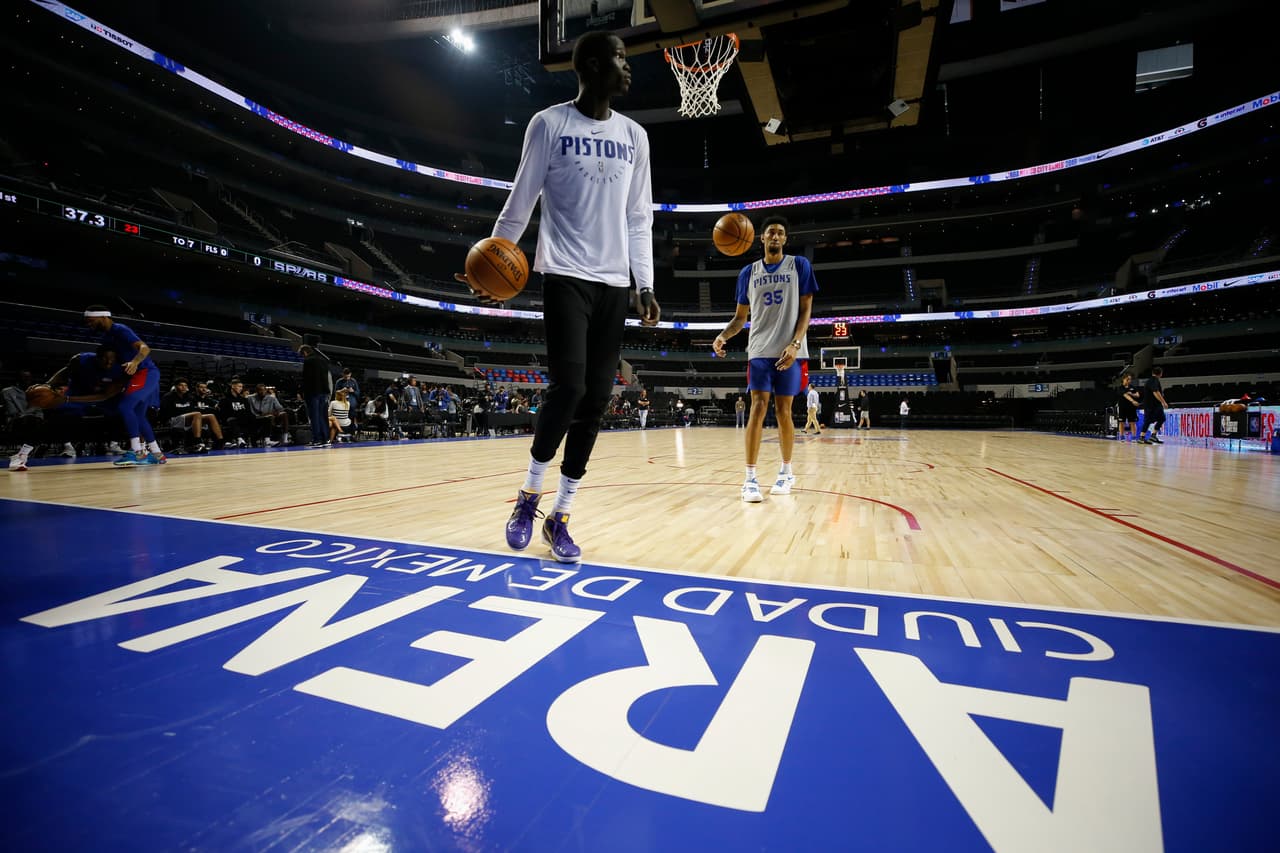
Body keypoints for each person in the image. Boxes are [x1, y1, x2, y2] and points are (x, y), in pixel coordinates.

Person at [458, 30, 661, 563]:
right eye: (619, 58)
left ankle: (560, 516)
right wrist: (492, 260)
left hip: (615, 283)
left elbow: (640, 217)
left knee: (597, 398)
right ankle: (528, 497)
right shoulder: (549, 124)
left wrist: (646, 283)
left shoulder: (636, 136)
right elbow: (520, 200)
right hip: (565, 274)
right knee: (568, 387)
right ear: (592, 66)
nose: (627, 67)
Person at [712, 215, 818, 502]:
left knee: (785, 412)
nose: (775, 236)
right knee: (757, 407)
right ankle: (750, 478)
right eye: (770, 232)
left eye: (780, 233)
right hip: (758, 350)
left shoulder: (799, 265)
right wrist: (723, 336)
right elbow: (739, 318)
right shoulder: (748, 272)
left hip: (790, 351)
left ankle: (786, 472)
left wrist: (796, 344)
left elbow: (806, 309)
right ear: (760, 238)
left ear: (785, 239)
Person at [83, 306, 165, 466]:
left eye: (91, 321)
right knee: (139, 415)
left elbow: (145, 348)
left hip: (145, 372)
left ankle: (137, 452)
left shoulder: (120, 329)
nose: (89, 325)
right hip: (135, 375)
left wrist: (135, 362)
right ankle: (157, 454)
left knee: (125, 407)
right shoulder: (107, 337)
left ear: (104, 317)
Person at [300, 345, 332, 447]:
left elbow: (306, 379)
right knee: (323, 416)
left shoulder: (308, 361)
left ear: (305, 352)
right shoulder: (323, 360)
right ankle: (325, 439)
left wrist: (303, 392)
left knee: (314, 416)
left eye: (302, 355)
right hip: (324, 392)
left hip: (313, 392)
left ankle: (317, 440)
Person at [1138, 366, 1168, 444]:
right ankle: (1141, 437)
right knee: (1147, 421)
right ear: (1161, 373)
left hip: (1155, 405)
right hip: (1151, 405)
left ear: (1152, 373)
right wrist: (1163, 402)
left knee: (1162, 419)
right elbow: (1155, 392)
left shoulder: (1152, 380)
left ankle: (1153, 436)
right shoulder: (1153, 380)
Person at [1117, 373, 1141, 442]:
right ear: (1123, 379)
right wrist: (1133, 401)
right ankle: (1121, 437)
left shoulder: (1132, 387)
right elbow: (1125, 395)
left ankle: (1133, 437)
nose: (1129, 381)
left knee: (1132, 422)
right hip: (1122, 408)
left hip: (1131, 408)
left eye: (1130, 379)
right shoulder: (1120, 388)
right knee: (1122, 422)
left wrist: (1131, 394)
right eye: (1127, 379)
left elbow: (1137, 395)